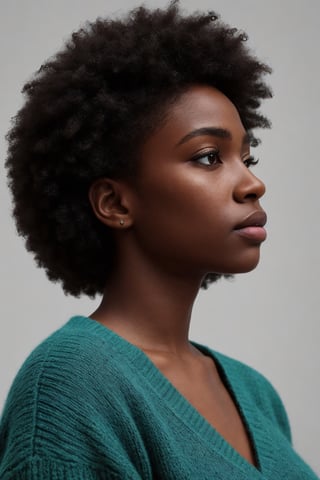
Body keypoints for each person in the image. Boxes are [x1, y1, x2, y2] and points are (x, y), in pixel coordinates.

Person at [0, 2, 318, 479]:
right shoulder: (71, 385)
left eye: (247, 159)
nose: (252, 184)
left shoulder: (257, 395)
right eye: (209, 157)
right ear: (116, 203)